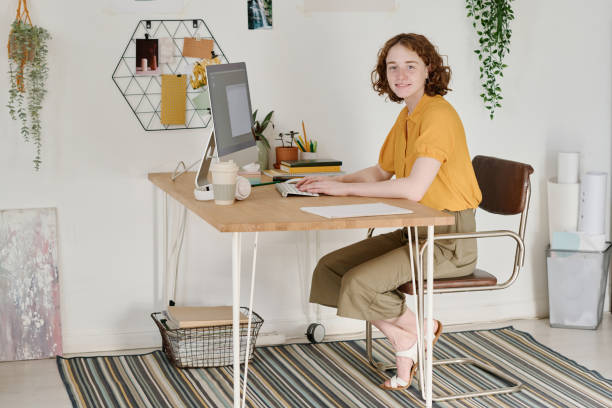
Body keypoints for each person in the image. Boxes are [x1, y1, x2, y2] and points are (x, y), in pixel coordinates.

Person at [296, 33, 482, 390]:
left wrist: (345, 189)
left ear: (429, 69)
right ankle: (412, 334)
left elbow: (413, 188)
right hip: (416, 228)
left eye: (410, 66)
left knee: (359, 282)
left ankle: (411, 336)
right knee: (330, 269)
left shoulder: (438, 116)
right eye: (392, 67)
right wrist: (329, 181)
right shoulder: (409, 114)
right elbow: (382, 172)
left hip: (449, 240)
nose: (400, 75)